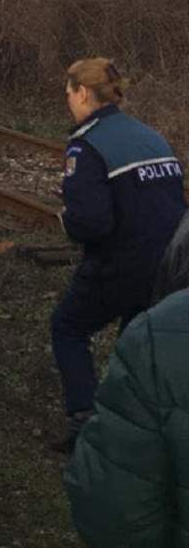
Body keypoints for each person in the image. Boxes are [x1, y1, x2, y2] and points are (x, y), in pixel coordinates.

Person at [48, 57, 186, 452]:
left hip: (119, 264)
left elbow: (91, 224)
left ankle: (84, 421)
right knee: (132, 339)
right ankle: (129, 420)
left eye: (69, 93)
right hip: (170, 265)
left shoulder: (87, 145)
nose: (68, 101)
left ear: (84, 93)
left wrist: (66, 219)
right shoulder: (150, 136)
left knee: (68, 328)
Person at [63, 215, 189, 544]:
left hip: (125, 269)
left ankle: (79, 412)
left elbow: (115, 513)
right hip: (144, 274)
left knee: (66, 327)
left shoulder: (160, 336)